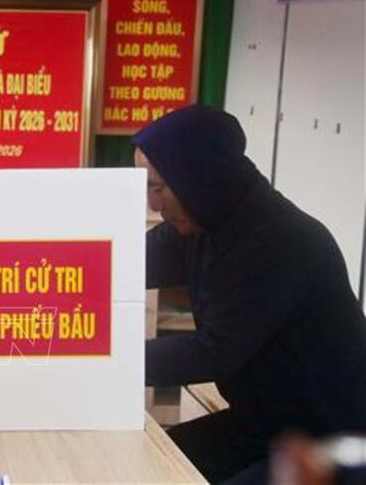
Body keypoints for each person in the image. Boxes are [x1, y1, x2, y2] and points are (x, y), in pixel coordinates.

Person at [136, 105, 366, 484]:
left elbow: (212, 352)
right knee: (148, 467)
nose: (152, 204)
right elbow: (127, 262)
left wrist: (108, 360)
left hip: (328, 441)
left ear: (199, 177)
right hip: (262, 424)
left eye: (157, 188)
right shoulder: (205, 220)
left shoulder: (282, 241)